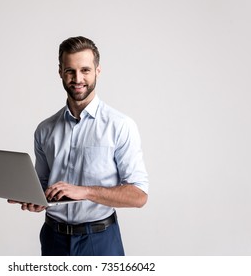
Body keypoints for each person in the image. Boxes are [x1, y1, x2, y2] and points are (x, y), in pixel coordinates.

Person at [8, 36, 149, 256]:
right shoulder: (44, 130)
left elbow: (139, 195)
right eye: (70, 71)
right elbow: (44, 186)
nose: (77, 78)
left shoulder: (120, 126)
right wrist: (36, 199)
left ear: (97, 71)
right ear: (60, 73)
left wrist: (83, 192)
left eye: (85, 70)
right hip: (53, 239)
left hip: (100, 240)